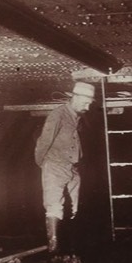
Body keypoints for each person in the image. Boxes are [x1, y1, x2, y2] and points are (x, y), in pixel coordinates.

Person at [35, 81, 95, 251]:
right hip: (55, 165)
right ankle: (53, 248)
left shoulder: (76, 116)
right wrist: (44, 164)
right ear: (75, 98)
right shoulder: (58, 115)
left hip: (72, 168)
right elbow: (44, 141)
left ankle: (68, 247)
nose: (88, 107)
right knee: (54, 205)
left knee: (73, 207)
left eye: (90, 103)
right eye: (85, 103)